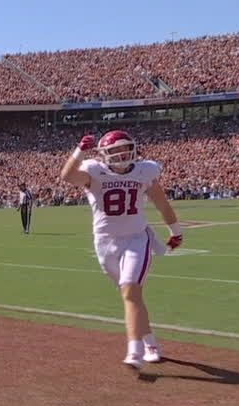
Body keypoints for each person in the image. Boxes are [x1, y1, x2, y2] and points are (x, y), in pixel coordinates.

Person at [59, 130, 183, 368]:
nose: (121, 154)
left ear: (132, 148)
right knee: (131, 297)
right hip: (105, 242)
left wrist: (176, 231)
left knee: (130, 292)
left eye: (124, 148)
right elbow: (67, 176)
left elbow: (161, 202)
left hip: (137, 238)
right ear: (104, 154)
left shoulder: (144, 171)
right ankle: (150, 343)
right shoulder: (94, 170)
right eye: (114, 150)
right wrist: (79, 150)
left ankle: (134, 352)